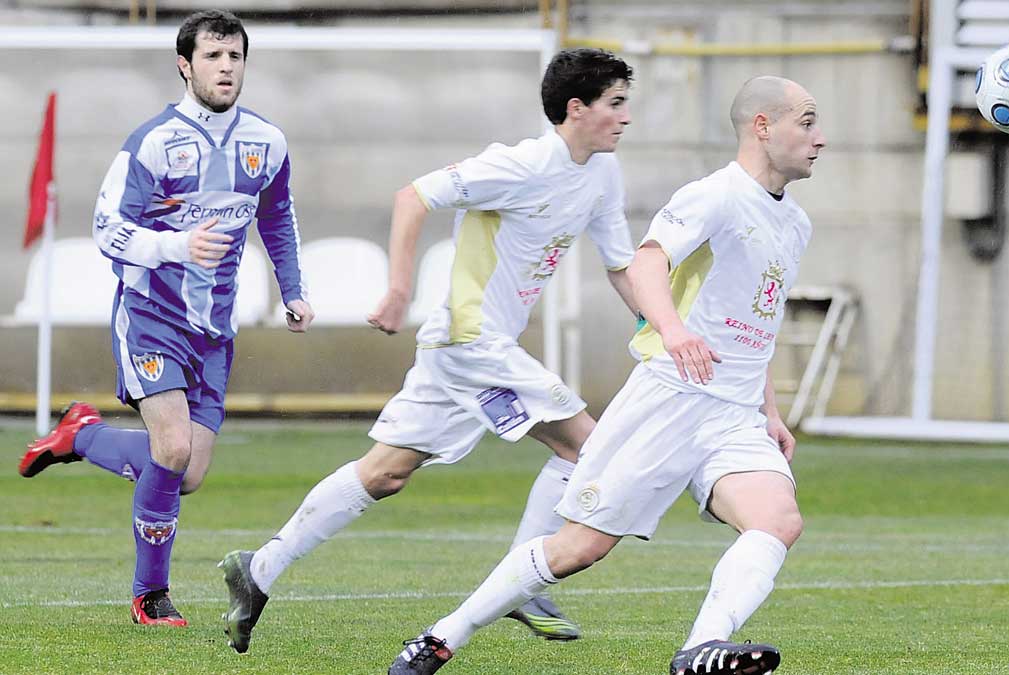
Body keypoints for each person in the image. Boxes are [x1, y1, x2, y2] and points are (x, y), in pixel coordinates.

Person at [386, 75, 825, 675]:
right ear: (762, 126)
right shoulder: (715, 195)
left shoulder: (795, 224)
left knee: (778, 521)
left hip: (735, 413)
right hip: (670, 399)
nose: (819, 138)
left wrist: (769, 410)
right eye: (807, 121)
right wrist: (673, 330)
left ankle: (700, 651)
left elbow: (760, 318)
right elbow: (648, 262)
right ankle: (442, 637)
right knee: (580, 547)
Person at [217, 48, 639, 654]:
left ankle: (257, 569)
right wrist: (397, 290)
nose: (626, 118)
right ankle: (525, 582)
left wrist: (663, 328)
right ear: (577, 108)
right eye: (616, 104)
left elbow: (621, 266)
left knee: (385, 473)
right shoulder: (519, 165)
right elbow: (412, 197)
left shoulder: (602, 173)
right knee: (585, 447)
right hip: (474, 343)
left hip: (458, 350)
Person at [16, 9, 313, 627]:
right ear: (185, 64)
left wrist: (293, 290)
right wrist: (175, 247)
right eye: (213, 56)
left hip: (214, 329)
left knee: (188, 473)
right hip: (151, 314)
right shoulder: (153, 141)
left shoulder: (268, 141)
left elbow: (277, 216)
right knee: (172, 448)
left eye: (234, 56)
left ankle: (81, 435)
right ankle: (150, 596)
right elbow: (108, 230)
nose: (226, 67)